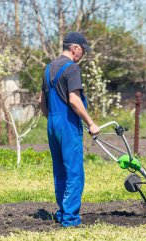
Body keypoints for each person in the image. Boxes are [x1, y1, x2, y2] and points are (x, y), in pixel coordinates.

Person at [39, 31, 100, 227]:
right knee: (74, 171)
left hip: (52, 123)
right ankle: (71, 218)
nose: (82, 55)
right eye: (82, 50)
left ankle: (63, 211)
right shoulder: (72, 68)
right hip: (67, 124)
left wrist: (53, 120)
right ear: (74, 48)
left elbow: (41, 102)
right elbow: (74, 100)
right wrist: (90, 123)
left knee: (60, 171)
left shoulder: (48, 68)